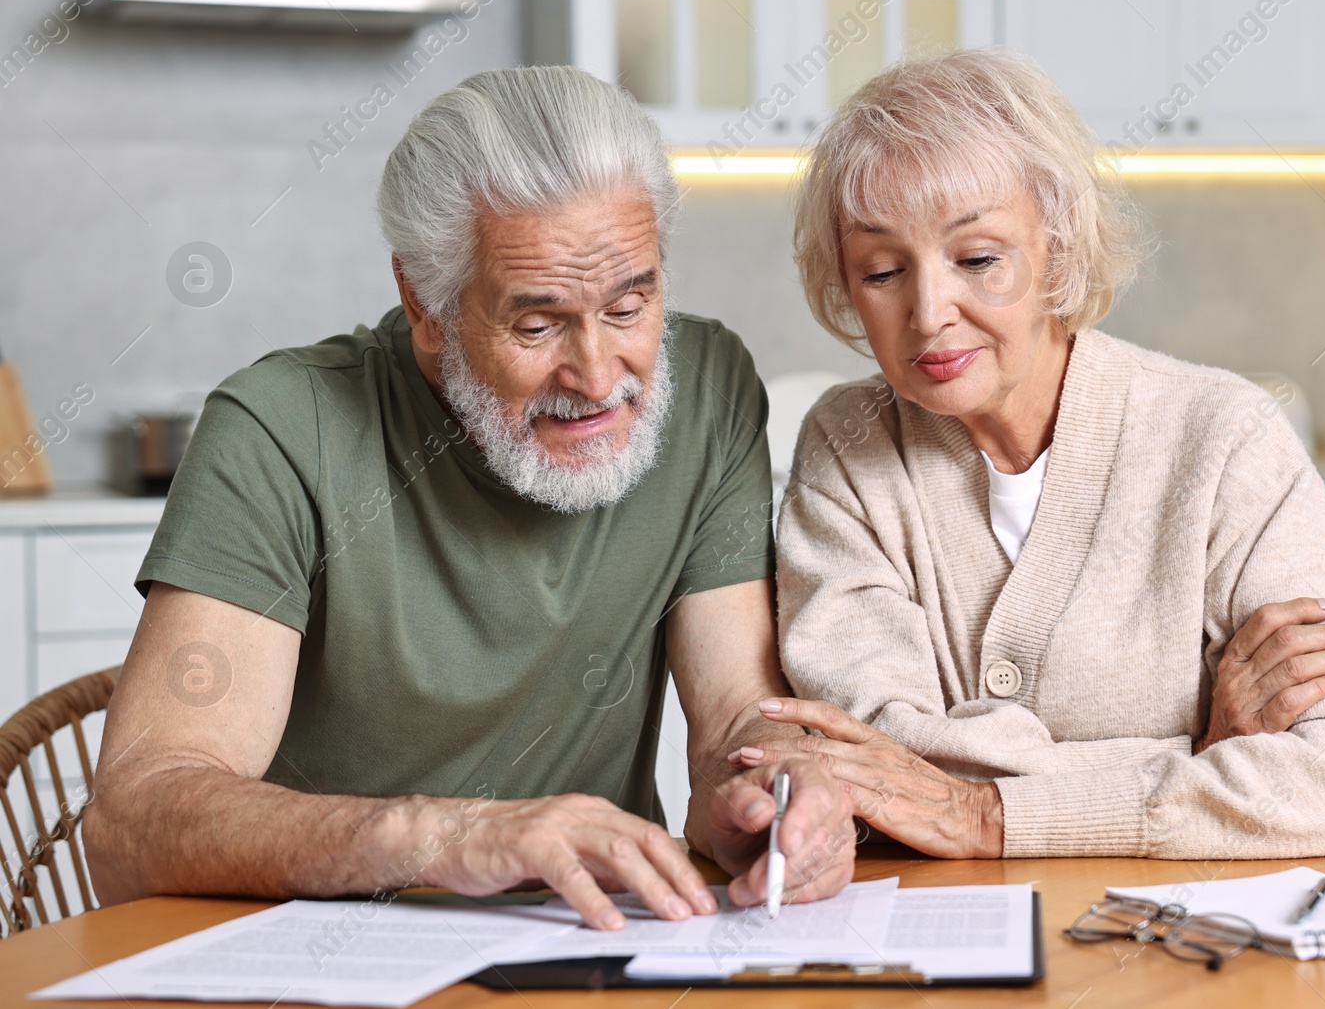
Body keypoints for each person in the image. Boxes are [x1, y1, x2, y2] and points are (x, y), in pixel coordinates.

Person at [84, 66, 854, 927]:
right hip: (322, 956)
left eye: (631, 306)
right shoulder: (277, 430)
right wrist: (449, 838)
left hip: (596, 949)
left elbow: (732, 724)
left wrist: (771, 797)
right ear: (424, 302)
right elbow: (131, 824)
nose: (599, 376)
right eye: (537, 324)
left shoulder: (708, 390)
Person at [730, 49, 1325, 860]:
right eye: (882, 270)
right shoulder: (849, 444)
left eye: (978, 259)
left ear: (1058, 246)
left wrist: (983, 814)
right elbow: (877, 774)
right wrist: (1203, 750)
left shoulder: (1227, 439)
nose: (930, 311)